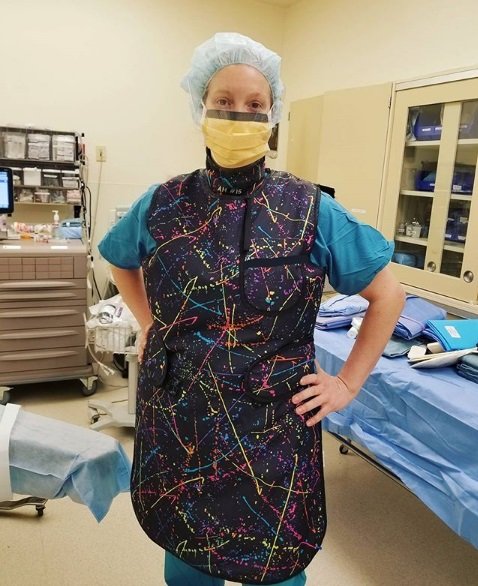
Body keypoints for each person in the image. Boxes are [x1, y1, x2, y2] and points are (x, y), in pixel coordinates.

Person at [98, 32, 405, 586]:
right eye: (223, 102)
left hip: (271, 429)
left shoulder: (310, 209)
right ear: (201, 108)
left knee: (278, 565)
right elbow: (121, 259)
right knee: (188, 559)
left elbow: (388, 295)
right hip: (182, 419)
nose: (238, 115)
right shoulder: (162, 203)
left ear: (272, 116)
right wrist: (151, 323)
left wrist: (347, 384)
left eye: (254, 104)